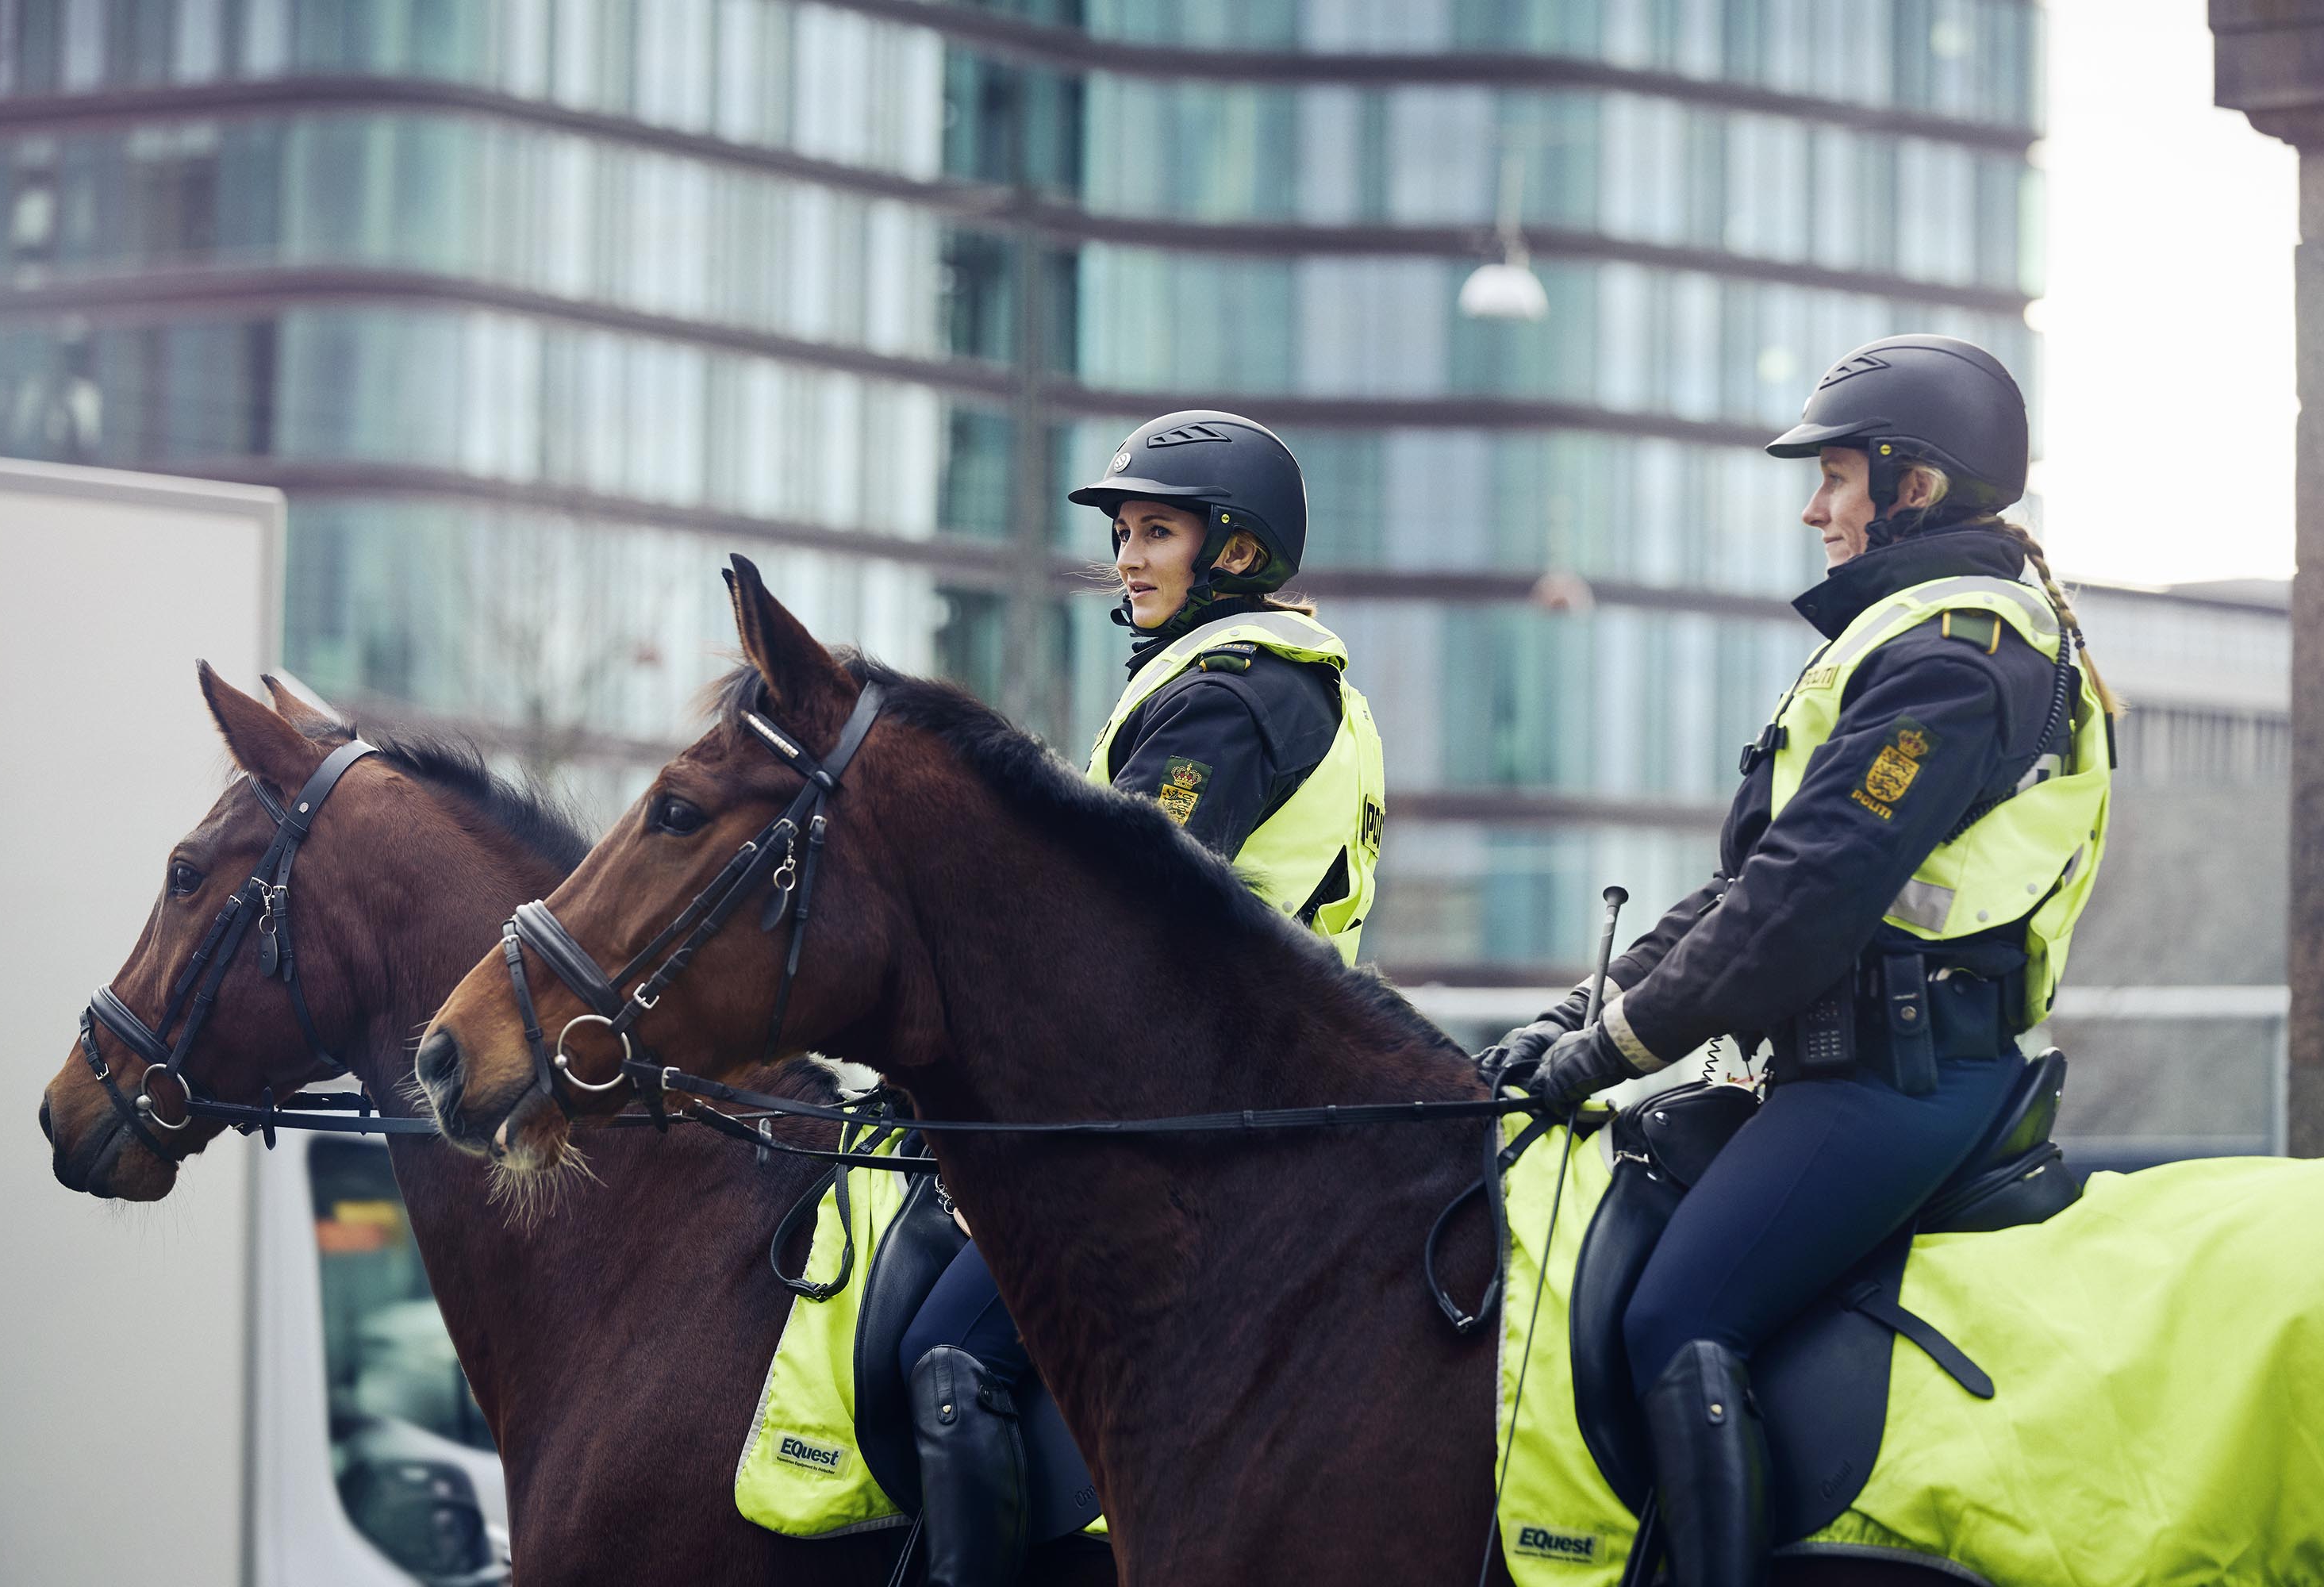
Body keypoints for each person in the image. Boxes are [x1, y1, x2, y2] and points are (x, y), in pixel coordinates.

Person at [1494, 335, 2117, 1586]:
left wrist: (1610, 1057)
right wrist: (1575, 1015)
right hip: (1843, 1064)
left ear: (1914, 486)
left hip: (1902, 1078)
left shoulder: (1955, 655)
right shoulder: (1916, 635)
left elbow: (1801, 905)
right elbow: (1744, 894)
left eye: (1835, 476)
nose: (1812, 505)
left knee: (1680, 1318)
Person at [897, 409, 1387, 1585]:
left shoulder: (1228, 699)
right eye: (1124, 531)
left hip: (1180, 1114)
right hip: (1245, 1093)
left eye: (1157, 531)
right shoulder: (1276, 682)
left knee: (948, 1358)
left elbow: (1106, 931)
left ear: (1234, 551)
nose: (1127, 557)